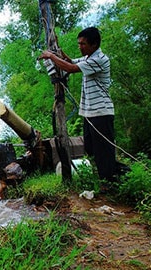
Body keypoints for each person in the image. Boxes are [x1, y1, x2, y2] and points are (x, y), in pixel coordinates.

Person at [39, 27, 117, 184]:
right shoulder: (89, 58)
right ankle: (104, 178)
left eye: (83, 44)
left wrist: (51, 57)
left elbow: (71, 68)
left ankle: (109, 182)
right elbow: (70, 61)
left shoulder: (99, 59)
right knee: (90, 147)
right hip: (89, 113)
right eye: (79, 43)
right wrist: (58, 52)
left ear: (94, 45)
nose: (80, 47)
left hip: (100, 112)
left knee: (104, 150)